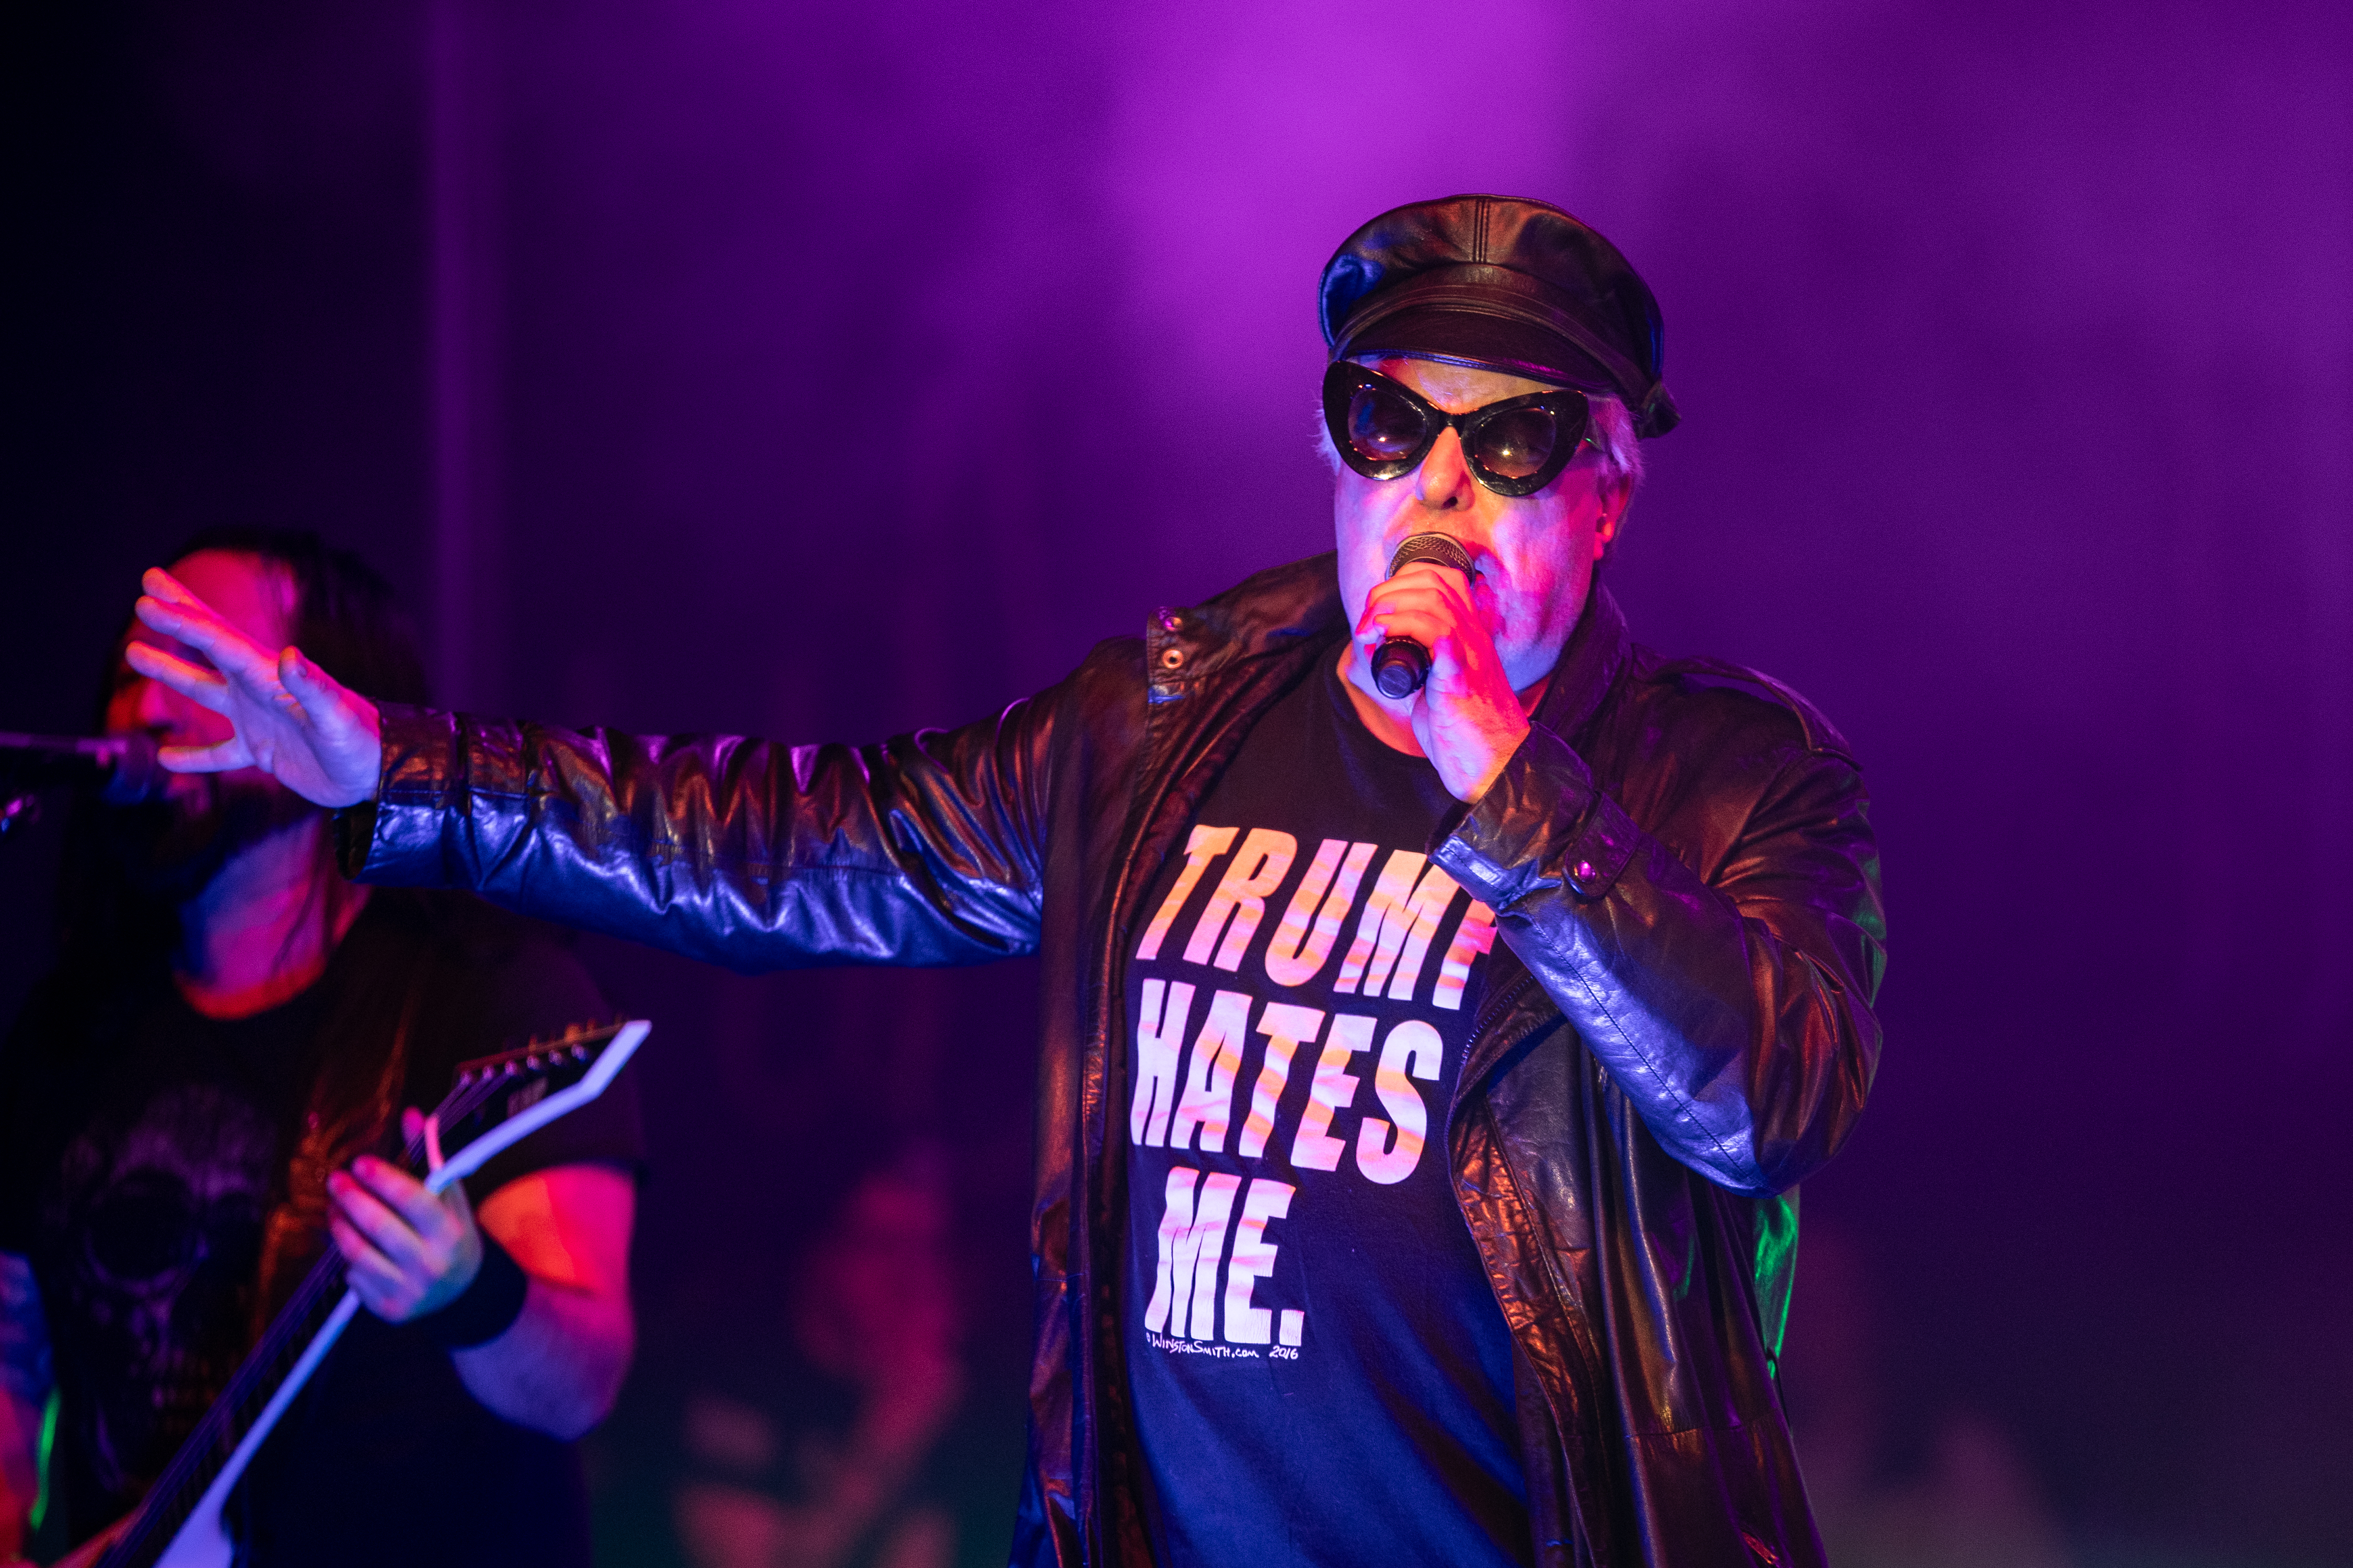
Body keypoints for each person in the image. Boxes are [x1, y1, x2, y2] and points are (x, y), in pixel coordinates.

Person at [121, 196, 1886, 1565]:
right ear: (1330, 454)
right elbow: (788, 849)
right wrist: (399, 773)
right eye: (1386, 422)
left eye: (1508, 444)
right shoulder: (1159, 723)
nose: (1435, 485)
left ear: (1606, 497)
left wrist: (1505, 772)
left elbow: (1766, 1097)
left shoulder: (1730, 780)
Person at [0, 530, 643, 1566]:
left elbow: (583, 1383)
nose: (148, 709)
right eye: (135, 672)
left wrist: (470, 1287)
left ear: (328, 715)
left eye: (200, 667)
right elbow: (10, 1361)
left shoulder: (487, 998)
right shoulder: (67, 1032)